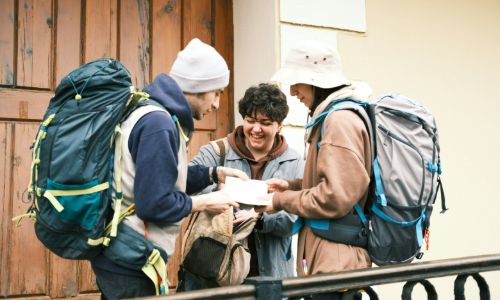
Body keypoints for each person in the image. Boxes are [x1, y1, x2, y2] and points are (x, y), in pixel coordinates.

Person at [90, 38, 248, 300]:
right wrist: (206, 202)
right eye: (217, 92)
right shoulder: (158, 123)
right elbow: (154, 204)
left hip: (124, 257)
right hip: (131, 261)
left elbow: (162, 178)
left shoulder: (155, 114)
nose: (218, 104)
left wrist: (213, 174)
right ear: (198, 87)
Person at [257, 40, 373, 299]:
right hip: (330, 264)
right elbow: (336, 183)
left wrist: (280, 200)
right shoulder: (334, 116)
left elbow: (334, 197)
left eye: (297, 81)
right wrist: (292, 186)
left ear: (317, 80)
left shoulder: (339, 121)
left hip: (334, 269)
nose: (293, 90)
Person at [181, 83, 304, 290]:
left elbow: (295, 218)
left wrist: (261, 218)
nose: (256, 129)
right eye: (251, 121)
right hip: (214, 274)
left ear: (279, 125)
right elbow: (184, 186)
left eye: (265, 123)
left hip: (270, 276)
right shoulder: (216, 151)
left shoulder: (294, 161)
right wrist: (219, 195)